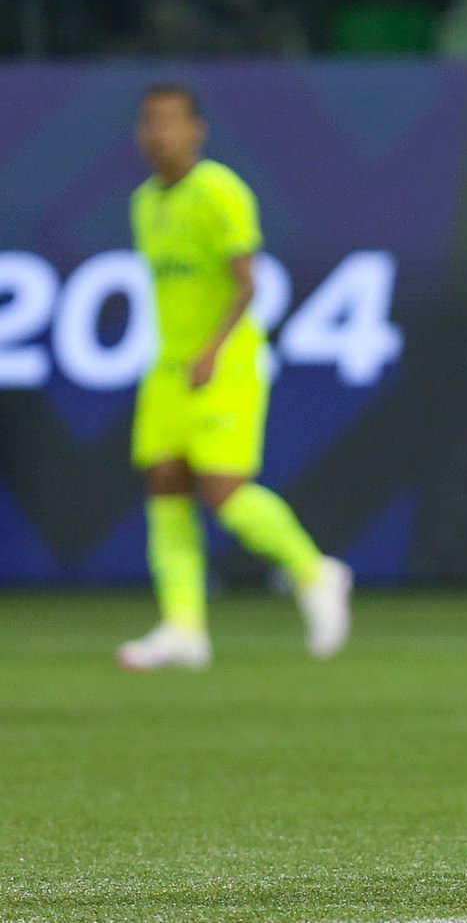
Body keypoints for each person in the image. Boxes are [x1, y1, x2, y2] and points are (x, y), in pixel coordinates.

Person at [118, 82, 352, 671]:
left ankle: (315, 572)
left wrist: (211, 350)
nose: (158, 133)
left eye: (170, 121)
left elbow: (248, 283)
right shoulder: (144, 202)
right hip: (167, 367)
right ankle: (183, 628)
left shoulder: (220, 191)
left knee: (223, 492)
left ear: (196, 130)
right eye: (149, 122)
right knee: (165, 484)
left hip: (223, 364)